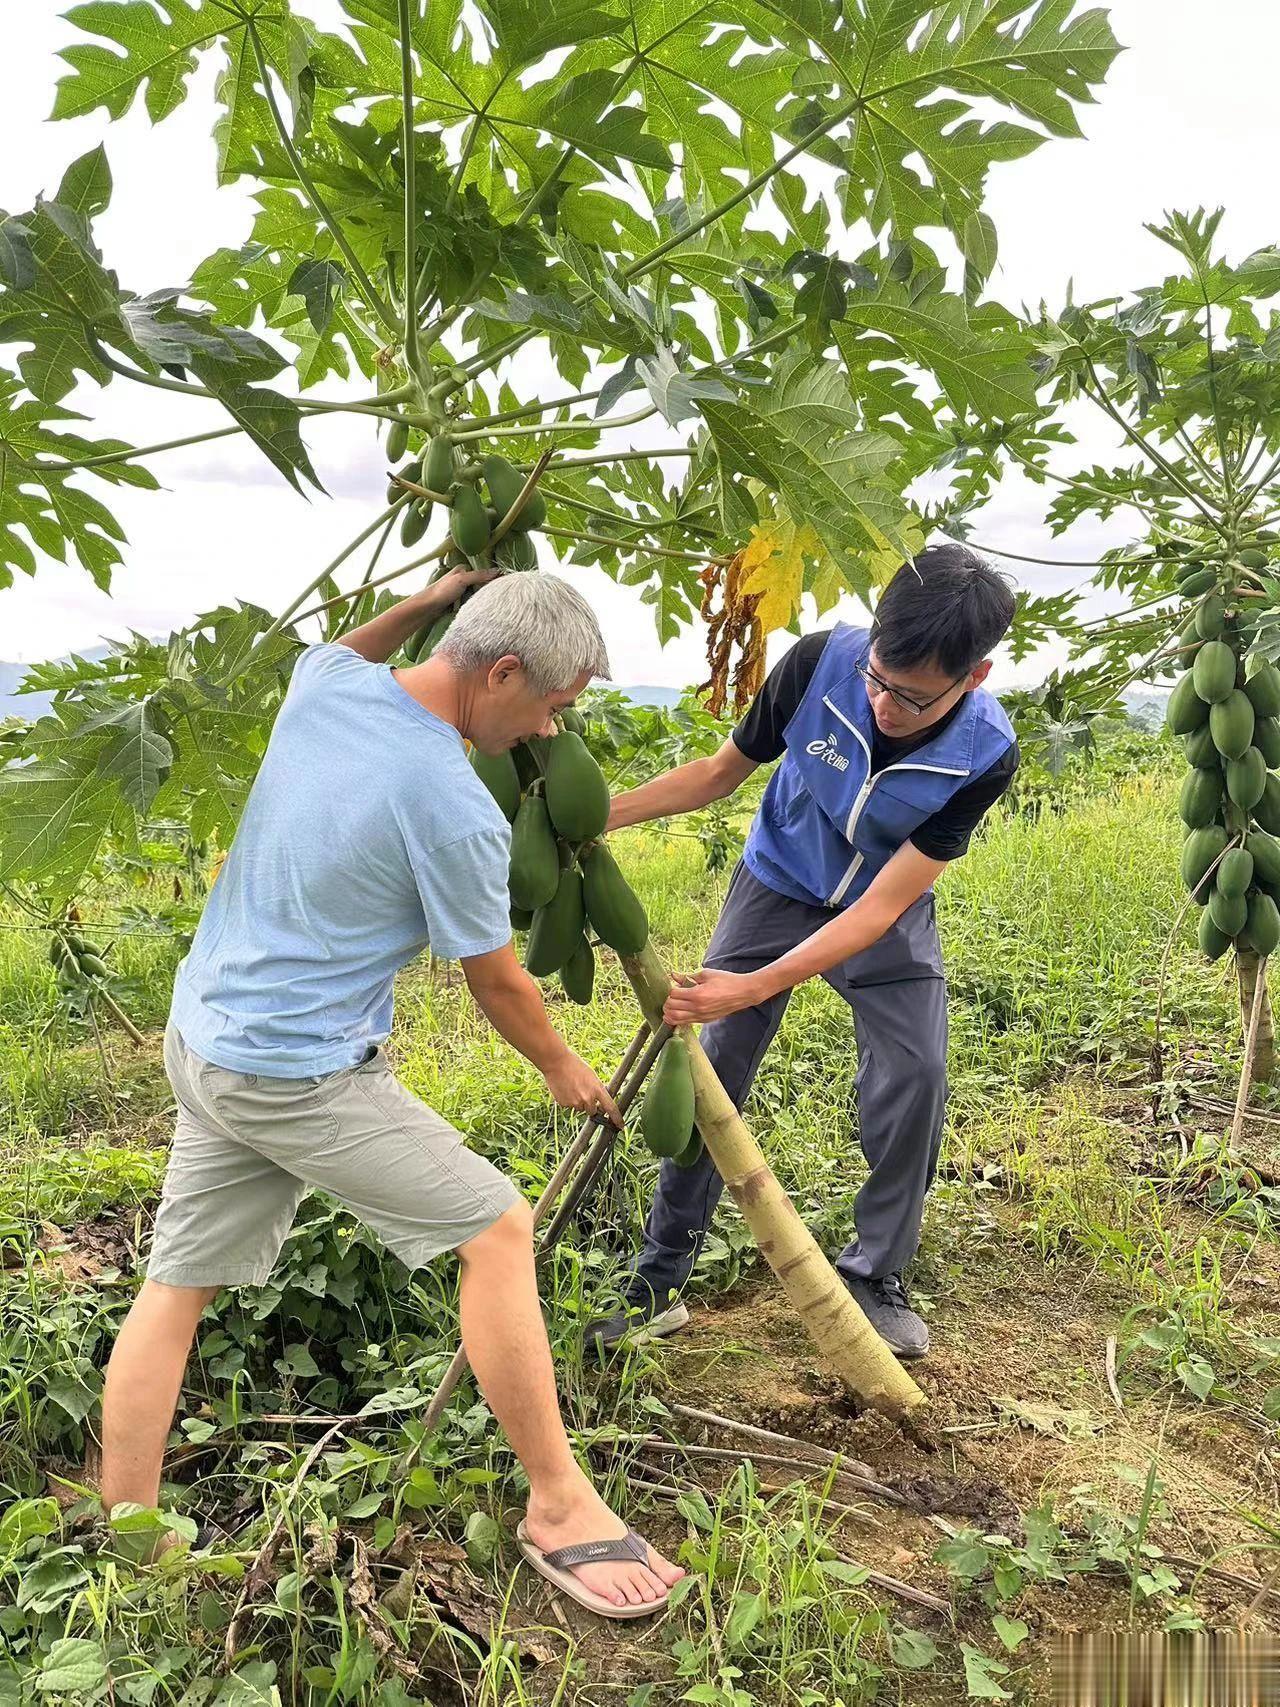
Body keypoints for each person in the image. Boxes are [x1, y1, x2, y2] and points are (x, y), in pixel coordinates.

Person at [100, 571, 683, 1618]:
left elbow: (352, 642)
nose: (550, 733)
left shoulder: (326, 683)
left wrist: (440, 590)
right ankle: (558, 1505)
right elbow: (496, 978)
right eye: (550, 706)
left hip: (206, 1036)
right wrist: (562, 1067)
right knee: (500, 1231)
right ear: (500, 671)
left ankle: (128, 1542)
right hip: (293, 1071)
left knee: (176, 1287)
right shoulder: (453, 804)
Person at [589, 545, 1019, 1361]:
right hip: (778, 877)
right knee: (711, 1065)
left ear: (976, 676)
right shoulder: (822, 661)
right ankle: (659, 1272)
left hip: (880, 908)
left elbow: (886, 902)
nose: (886, 704)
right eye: (880, 681)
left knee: (917, 1072)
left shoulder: (984, 756)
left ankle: (874, 1272)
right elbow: (721, 772)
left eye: (913, 697)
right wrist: (599, 815)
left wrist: (752, 985)